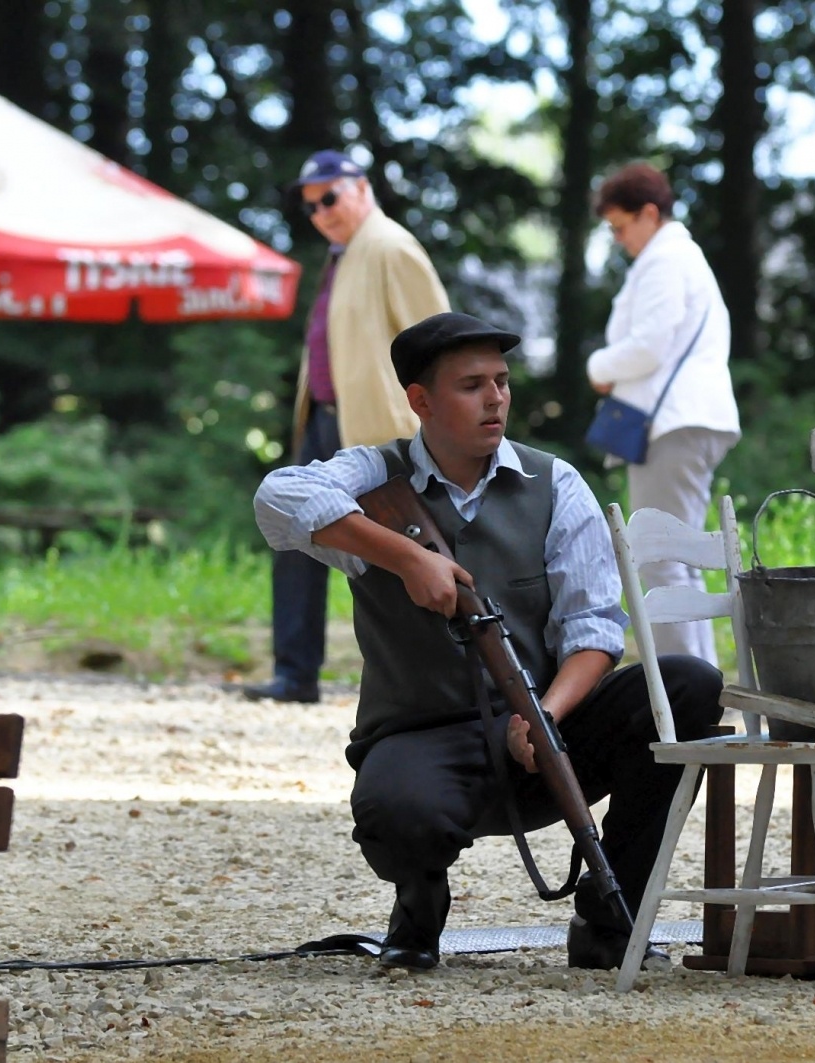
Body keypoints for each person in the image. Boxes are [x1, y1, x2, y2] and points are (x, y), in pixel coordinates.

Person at [253, 311, 723, 971]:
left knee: (686, 685)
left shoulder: (554, 483)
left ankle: (610, 920)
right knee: (395, 811)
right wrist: (405, 557)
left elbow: (594, 629)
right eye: (472, 384)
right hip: (425, 735)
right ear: (421, 400)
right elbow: (279, 497)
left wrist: (546, 716)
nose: (496, 397)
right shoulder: (373, 474)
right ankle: (417, 911)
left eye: (501, 381)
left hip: (542, 732)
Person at [244, 149, 450, 704]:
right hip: (327, 420)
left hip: (377, 429)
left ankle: (422, 681)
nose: (320, 212)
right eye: (310, 205)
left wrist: (435, 429)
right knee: (293, 532)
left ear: (361, 188)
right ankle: (295, 673)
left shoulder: (390, 246)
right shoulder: (346, 253)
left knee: (397, 551)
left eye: (329, 197)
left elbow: (438, 343)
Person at [585, 161, 740, 666]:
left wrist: (599, 365)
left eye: (621, 226)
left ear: (649, 214)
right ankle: (700, 688)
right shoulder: (678, 257)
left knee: (660, 559)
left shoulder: (665, 259)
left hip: (676, 422)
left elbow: (650, 344)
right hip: (687, 420)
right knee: (676, 560)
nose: (618, 238)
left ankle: (689, 692)